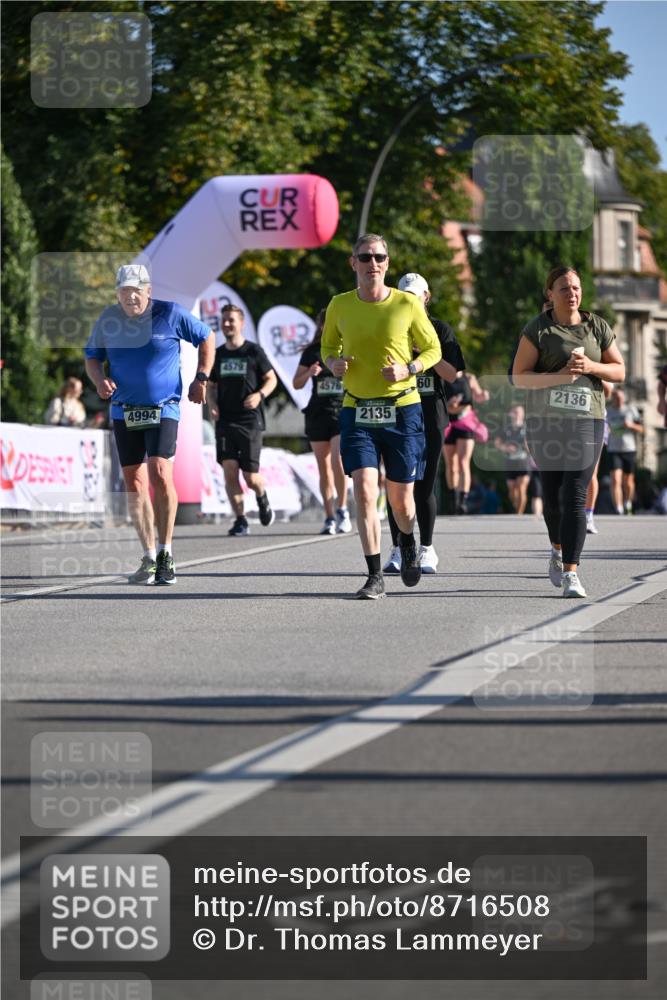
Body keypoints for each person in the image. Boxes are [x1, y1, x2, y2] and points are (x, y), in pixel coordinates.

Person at [320, 234, 441, 599]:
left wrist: (410, 368)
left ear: (387, 263)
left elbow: (433, 348)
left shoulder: (406, 304)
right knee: (364, 489)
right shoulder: (340, 305)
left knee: (401, 501)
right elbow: (328, 346)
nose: (373, 263)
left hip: (403, 408)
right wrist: (333, 364)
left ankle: (407, 540)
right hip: (357, 409)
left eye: (379, 257)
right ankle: (374, 575)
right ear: (353, 263)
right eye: (365, 257)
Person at [84, 263, 214, 585]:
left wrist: (201, 378)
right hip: (123, 410)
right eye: (124, 292)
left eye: (136, 291)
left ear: (149, 291)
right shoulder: (109, 319)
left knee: (158, 470)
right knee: (135, 484)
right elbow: (92, 357)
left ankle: (166, 551)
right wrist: (100, 380)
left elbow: (206, 337)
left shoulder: (170, 314)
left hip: (163, 407)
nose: (130, 298)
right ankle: (148, 556)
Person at [512, 265, 625, 598]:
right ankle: (558, 549)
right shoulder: (538, 329)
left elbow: (618, 370)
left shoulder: (597, 327)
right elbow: (520, 376)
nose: (572, 294)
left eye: (576, 288)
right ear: (550, 294)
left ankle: (572, 573)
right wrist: (560, 376)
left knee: (576, 491)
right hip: (546, 422)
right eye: (564, 289)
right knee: (552, 497)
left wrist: (591, 367)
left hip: (587, 419)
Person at [383, 272, 464, 574]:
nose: (411, 300)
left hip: (431, 415)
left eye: (416, 295)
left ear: (426, 297)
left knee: (423, 486)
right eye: (405, 295)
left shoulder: (440, 330)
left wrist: (423, 356)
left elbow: (452, 373)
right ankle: (398, 548)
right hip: (399, 414)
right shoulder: (392, 328)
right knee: (397, 485)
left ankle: (427, 548)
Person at [206, 303, 278, 536]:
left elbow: (271, 379)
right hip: (225, 420)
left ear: (241, 323)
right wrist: (212, 404)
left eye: (231, 320)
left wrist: (259, 395)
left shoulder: (253, 351)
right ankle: (240, 520)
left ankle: (261, 496)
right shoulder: (218, 354)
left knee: (250, 476)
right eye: (224, 320)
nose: (227, 324)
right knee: (229, 470)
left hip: (250, 421)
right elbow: (211, 384)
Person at [293, 309, 351, 535]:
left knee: (338, 462)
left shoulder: (347, 349)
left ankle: (342, 509)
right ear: (320, 326)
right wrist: (309, 373)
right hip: (317, 413)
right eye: (326, 323)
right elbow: (296, 383)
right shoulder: (311, 352)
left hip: (341, 411)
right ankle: (329, 517)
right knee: (323, 469)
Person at [443, 372, 489, 514]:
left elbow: (478, 396)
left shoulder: (469, 378)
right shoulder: (442, 377)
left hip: (466, 423)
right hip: (448, 423)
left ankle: (463, 502)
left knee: (463, 462)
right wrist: (448, 404)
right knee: (451, 464)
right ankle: (454, 498)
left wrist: (483, 396)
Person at [605, 386, 644, 515]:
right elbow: (602, 429)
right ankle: (619, 507)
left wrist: (631, 425)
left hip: (629, 449)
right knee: (616, 479)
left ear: (624, 398)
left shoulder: (630, 410)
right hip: (613, 449)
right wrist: (607, 431)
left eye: (621, 398)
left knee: (628, 481)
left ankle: (628, 502)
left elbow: (642, 429)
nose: (619, 400)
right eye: (616, 398)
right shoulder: (608, 412)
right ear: (613, 398)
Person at [494, 404, 531, 514]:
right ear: (510, 414)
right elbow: (497, 443)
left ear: (523, 414)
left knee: (521, 487)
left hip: (523, 462)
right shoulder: (505, 429)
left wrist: (527, 446)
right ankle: (516, 505)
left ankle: (519, 514)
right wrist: (505, 447)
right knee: (512, 490)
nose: (517, 414)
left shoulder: (527, 429)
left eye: (519, 412)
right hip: (510, 462)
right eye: (514, 412)